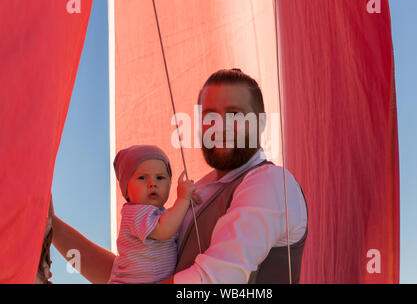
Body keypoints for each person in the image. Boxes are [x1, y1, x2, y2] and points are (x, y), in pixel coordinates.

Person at [51, 69, 308, 284]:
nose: (220, 125)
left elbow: (214, 280)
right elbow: (126, 274)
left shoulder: (271, 182)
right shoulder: (198, 192)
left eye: (235, 115)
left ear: (261, 124)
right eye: (210, 116)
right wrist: (51, 226)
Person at [108, 145, 200, 283]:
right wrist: (183, 200)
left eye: (160, 177)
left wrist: (185, 205)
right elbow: (164, 230)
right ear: (126, 190)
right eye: (142, 178)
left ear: (170, 184)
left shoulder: (162, 214)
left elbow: (170, 219)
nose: (152, 183)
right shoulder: (134, 212)